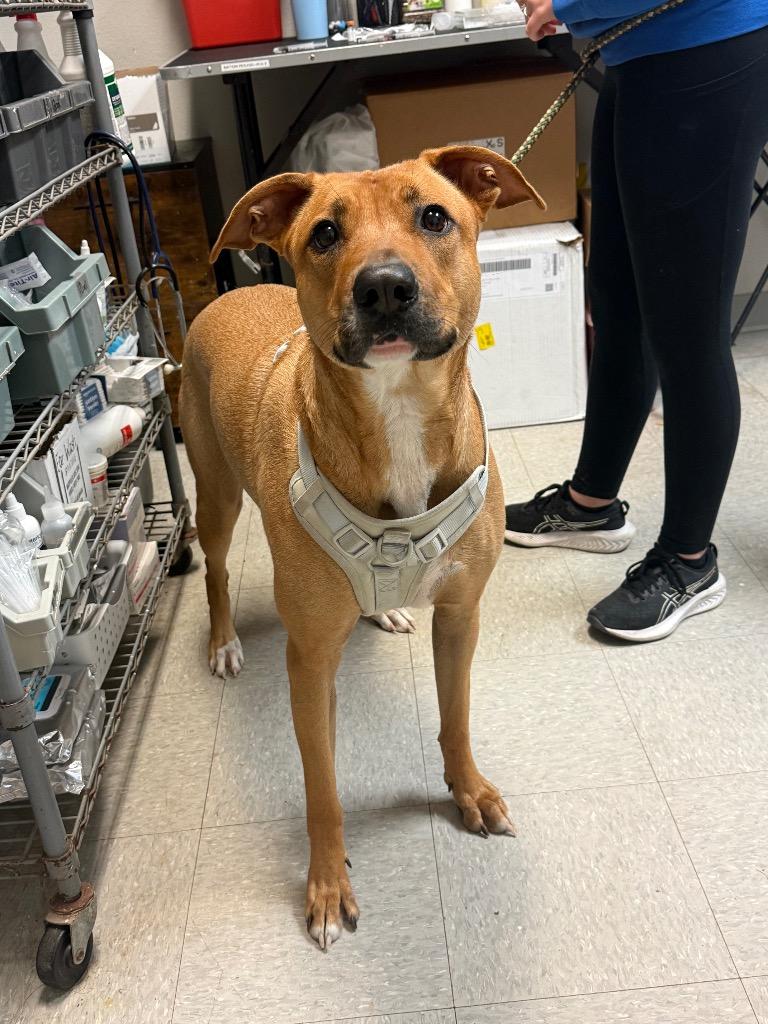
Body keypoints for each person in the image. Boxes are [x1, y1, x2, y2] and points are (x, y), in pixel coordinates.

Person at [504, 0, 768, 642]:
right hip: (635, 50)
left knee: (688, 328)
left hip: (703, 46)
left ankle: (688, 562)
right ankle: (592, 503)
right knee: (620, 300)